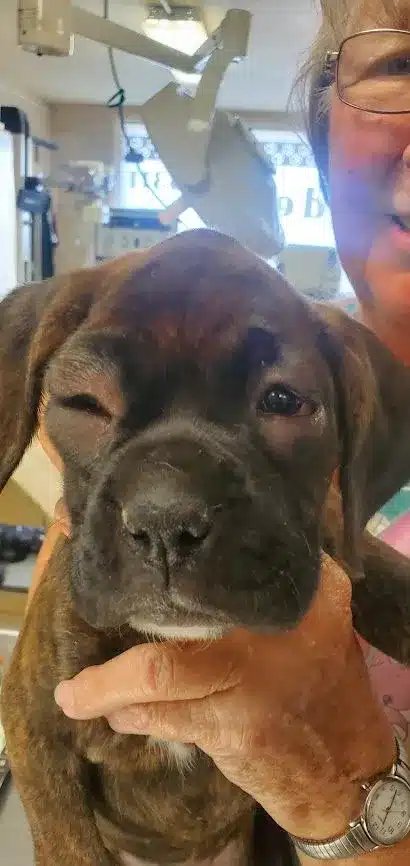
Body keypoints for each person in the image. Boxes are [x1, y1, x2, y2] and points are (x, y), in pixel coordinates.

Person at [30, 0, 410, 862]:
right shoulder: (312, 350)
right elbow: (44, 715)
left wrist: (335, 786)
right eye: (401, 66)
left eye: (282, 404)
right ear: (322, 127)